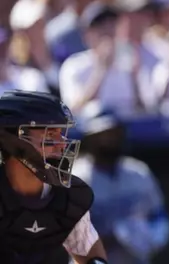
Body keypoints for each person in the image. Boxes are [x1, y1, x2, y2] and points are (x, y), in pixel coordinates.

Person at [0, 90, 108, 263]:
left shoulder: (67, 196)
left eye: (61, 134)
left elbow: (93, 258)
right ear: (12, 140)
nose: (62, 145)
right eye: (50, 135)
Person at [72, 105, 169, 264]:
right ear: (89, 139)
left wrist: (148, 239)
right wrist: (111, 238)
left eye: (113, 133)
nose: (110, 140)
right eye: (102, 135)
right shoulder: (76, 178)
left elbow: (159, 217)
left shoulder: (138, 172)